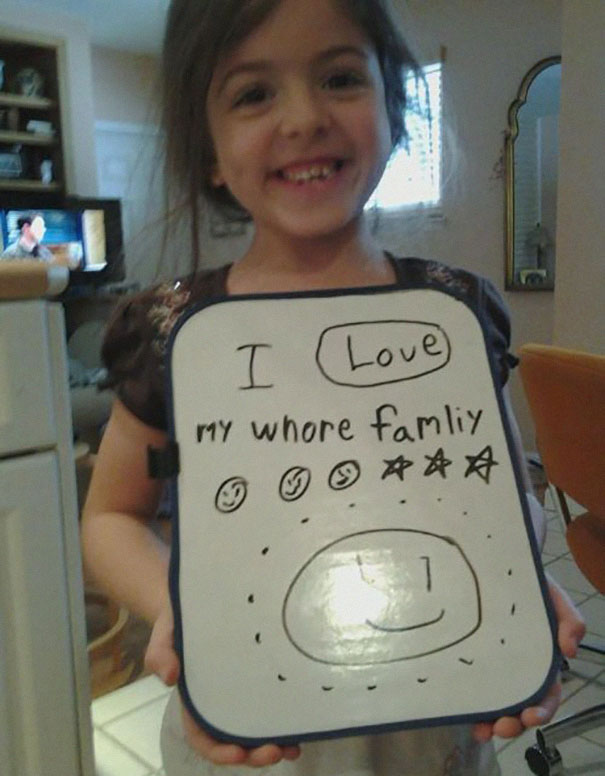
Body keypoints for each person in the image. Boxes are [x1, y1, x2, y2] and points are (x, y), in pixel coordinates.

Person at [81, 1, 585, 774]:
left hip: (429, 720)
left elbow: (505, 485)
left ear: (394, 111)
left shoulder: (453, 312)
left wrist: (509, 571)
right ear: (208, 149)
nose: (304, 118)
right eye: (253, 93)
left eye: (340, 78)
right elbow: (112, 514)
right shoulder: (170, 332)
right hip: (249, 723)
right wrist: (179, 607)